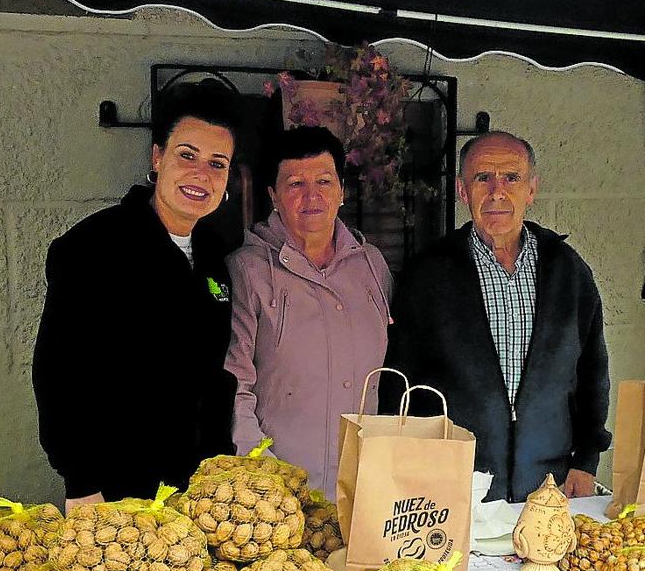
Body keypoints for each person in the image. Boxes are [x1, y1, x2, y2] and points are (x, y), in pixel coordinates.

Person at [32, 80, 244, 511]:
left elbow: (213, 376)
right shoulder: (95, 247)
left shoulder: (213, 257)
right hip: (112, 494)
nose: (201, 175)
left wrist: (220, 468)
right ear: (157, 157)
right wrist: (82, 482)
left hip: (195, 499)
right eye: (187, 155)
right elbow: (59, 374)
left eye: (217, 164)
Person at [382, 131, 611, 502]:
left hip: (548, 486)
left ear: (532, 190)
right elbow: (398, 384)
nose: (497, 191)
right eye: (482, 177)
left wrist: (586, 460)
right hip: (450, 487)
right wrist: (402, 471)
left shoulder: (567, 271)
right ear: (462, 189)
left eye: (512, 178)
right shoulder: (428, 274)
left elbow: (592, 372)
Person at [223, 126, 392, 497]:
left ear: (342, 192)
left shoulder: (371, 266)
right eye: (295, 184)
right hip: (277, 494)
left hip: (363, 488)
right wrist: (261, 474)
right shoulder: (247, 271)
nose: (311, 196)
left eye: (324, 182)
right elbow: (233, 386)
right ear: (274, 196)